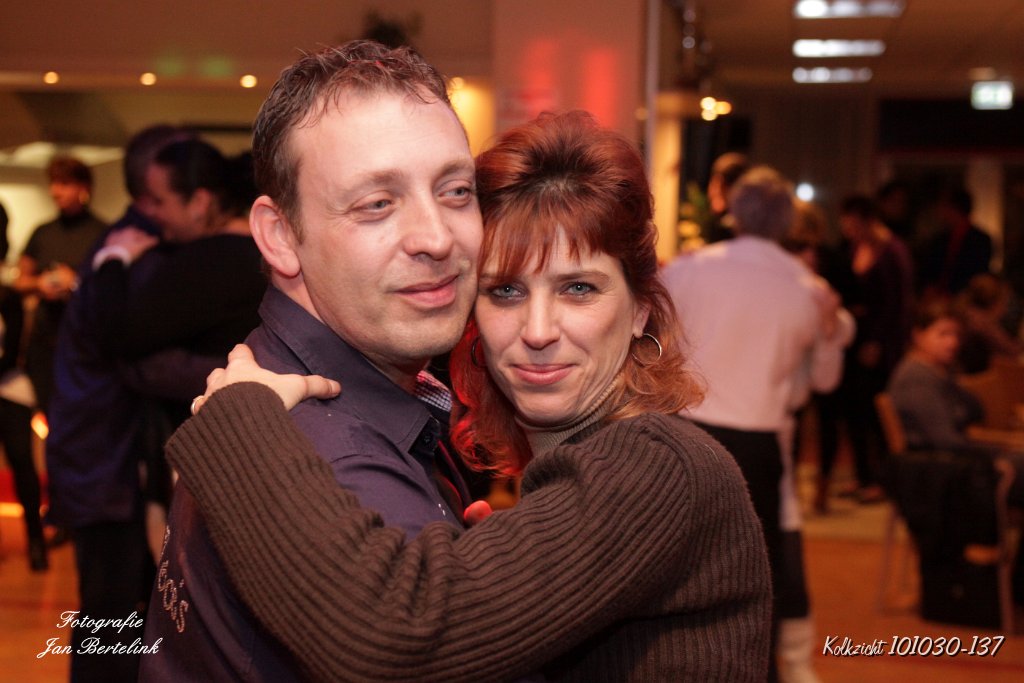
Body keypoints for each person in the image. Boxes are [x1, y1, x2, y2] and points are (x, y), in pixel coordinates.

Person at [163, 110, 771, 682]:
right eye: (505, 291)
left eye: (579, 289)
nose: (538, 331)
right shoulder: (582, 467)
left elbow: (395, 637)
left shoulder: (660, 466)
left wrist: (243, 426)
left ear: (640, 309)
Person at [139, 42, 483, 681]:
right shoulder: (336, 464)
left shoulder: (268, 388)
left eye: (457, 190)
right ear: (279, 236)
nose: (437, 237)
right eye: (377, 204)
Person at [662, 166, 851, 681]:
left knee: (681, 563)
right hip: (758, 442)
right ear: (786, 222)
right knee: (752, 569)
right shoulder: (807, 287)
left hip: (686, 432)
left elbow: (654, 340)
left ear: (734, 212)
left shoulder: (689, 270)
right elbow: (826, 381)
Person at [41, 124, 206, 683]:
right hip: (102, 460)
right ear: (154, 188)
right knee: (110, 613)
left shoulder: (129, 245)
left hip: (99, 456)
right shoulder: (133, 251)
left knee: (117, 608)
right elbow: (138, 360)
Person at [823, 194, 914, 504]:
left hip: (882, 342)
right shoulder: (851, 248)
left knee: (876, 413)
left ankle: (883, 480)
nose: (847, 230)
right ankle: (862, 475)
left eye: (852, 224)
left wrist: (878, 341)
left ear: (867, 221)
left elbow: (897, 305)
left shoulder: (893, 251)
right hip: (855, 338)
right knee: (854, 411)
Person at [14, 155, 108, 411]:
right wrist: (40, 283)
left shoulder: (101, 233)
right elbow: (20, 281)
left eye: (64, 183)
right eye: (53, 183)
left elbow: (113, 290)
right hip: (45, 342)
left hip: (85, 343)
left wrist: (75, 282)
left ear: (83, 187)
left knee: (83, 412)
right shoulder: (42, 232)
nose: (55, 191)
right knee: (47, 411)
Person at [0, 203, 46, 571]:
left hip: (10, 387)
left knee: (22, 462)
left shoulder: (8, 292)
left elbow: (14, 349)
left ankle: (36, 541)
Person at [917, 185, 992, 300]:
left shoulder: (980, 240)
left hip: (965, 300)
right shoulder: (939, 239)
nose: (940, 211)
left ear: (954, 208)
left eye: (943, 206)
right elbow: (929, 271)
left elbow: (977, 275)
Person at [953, 272, 1022, 374]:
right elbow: (1013, 350)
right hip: (969, 377)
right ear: (996, 303)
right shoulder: (981, 322)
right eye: (1006, 301)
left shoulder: (967, 312)